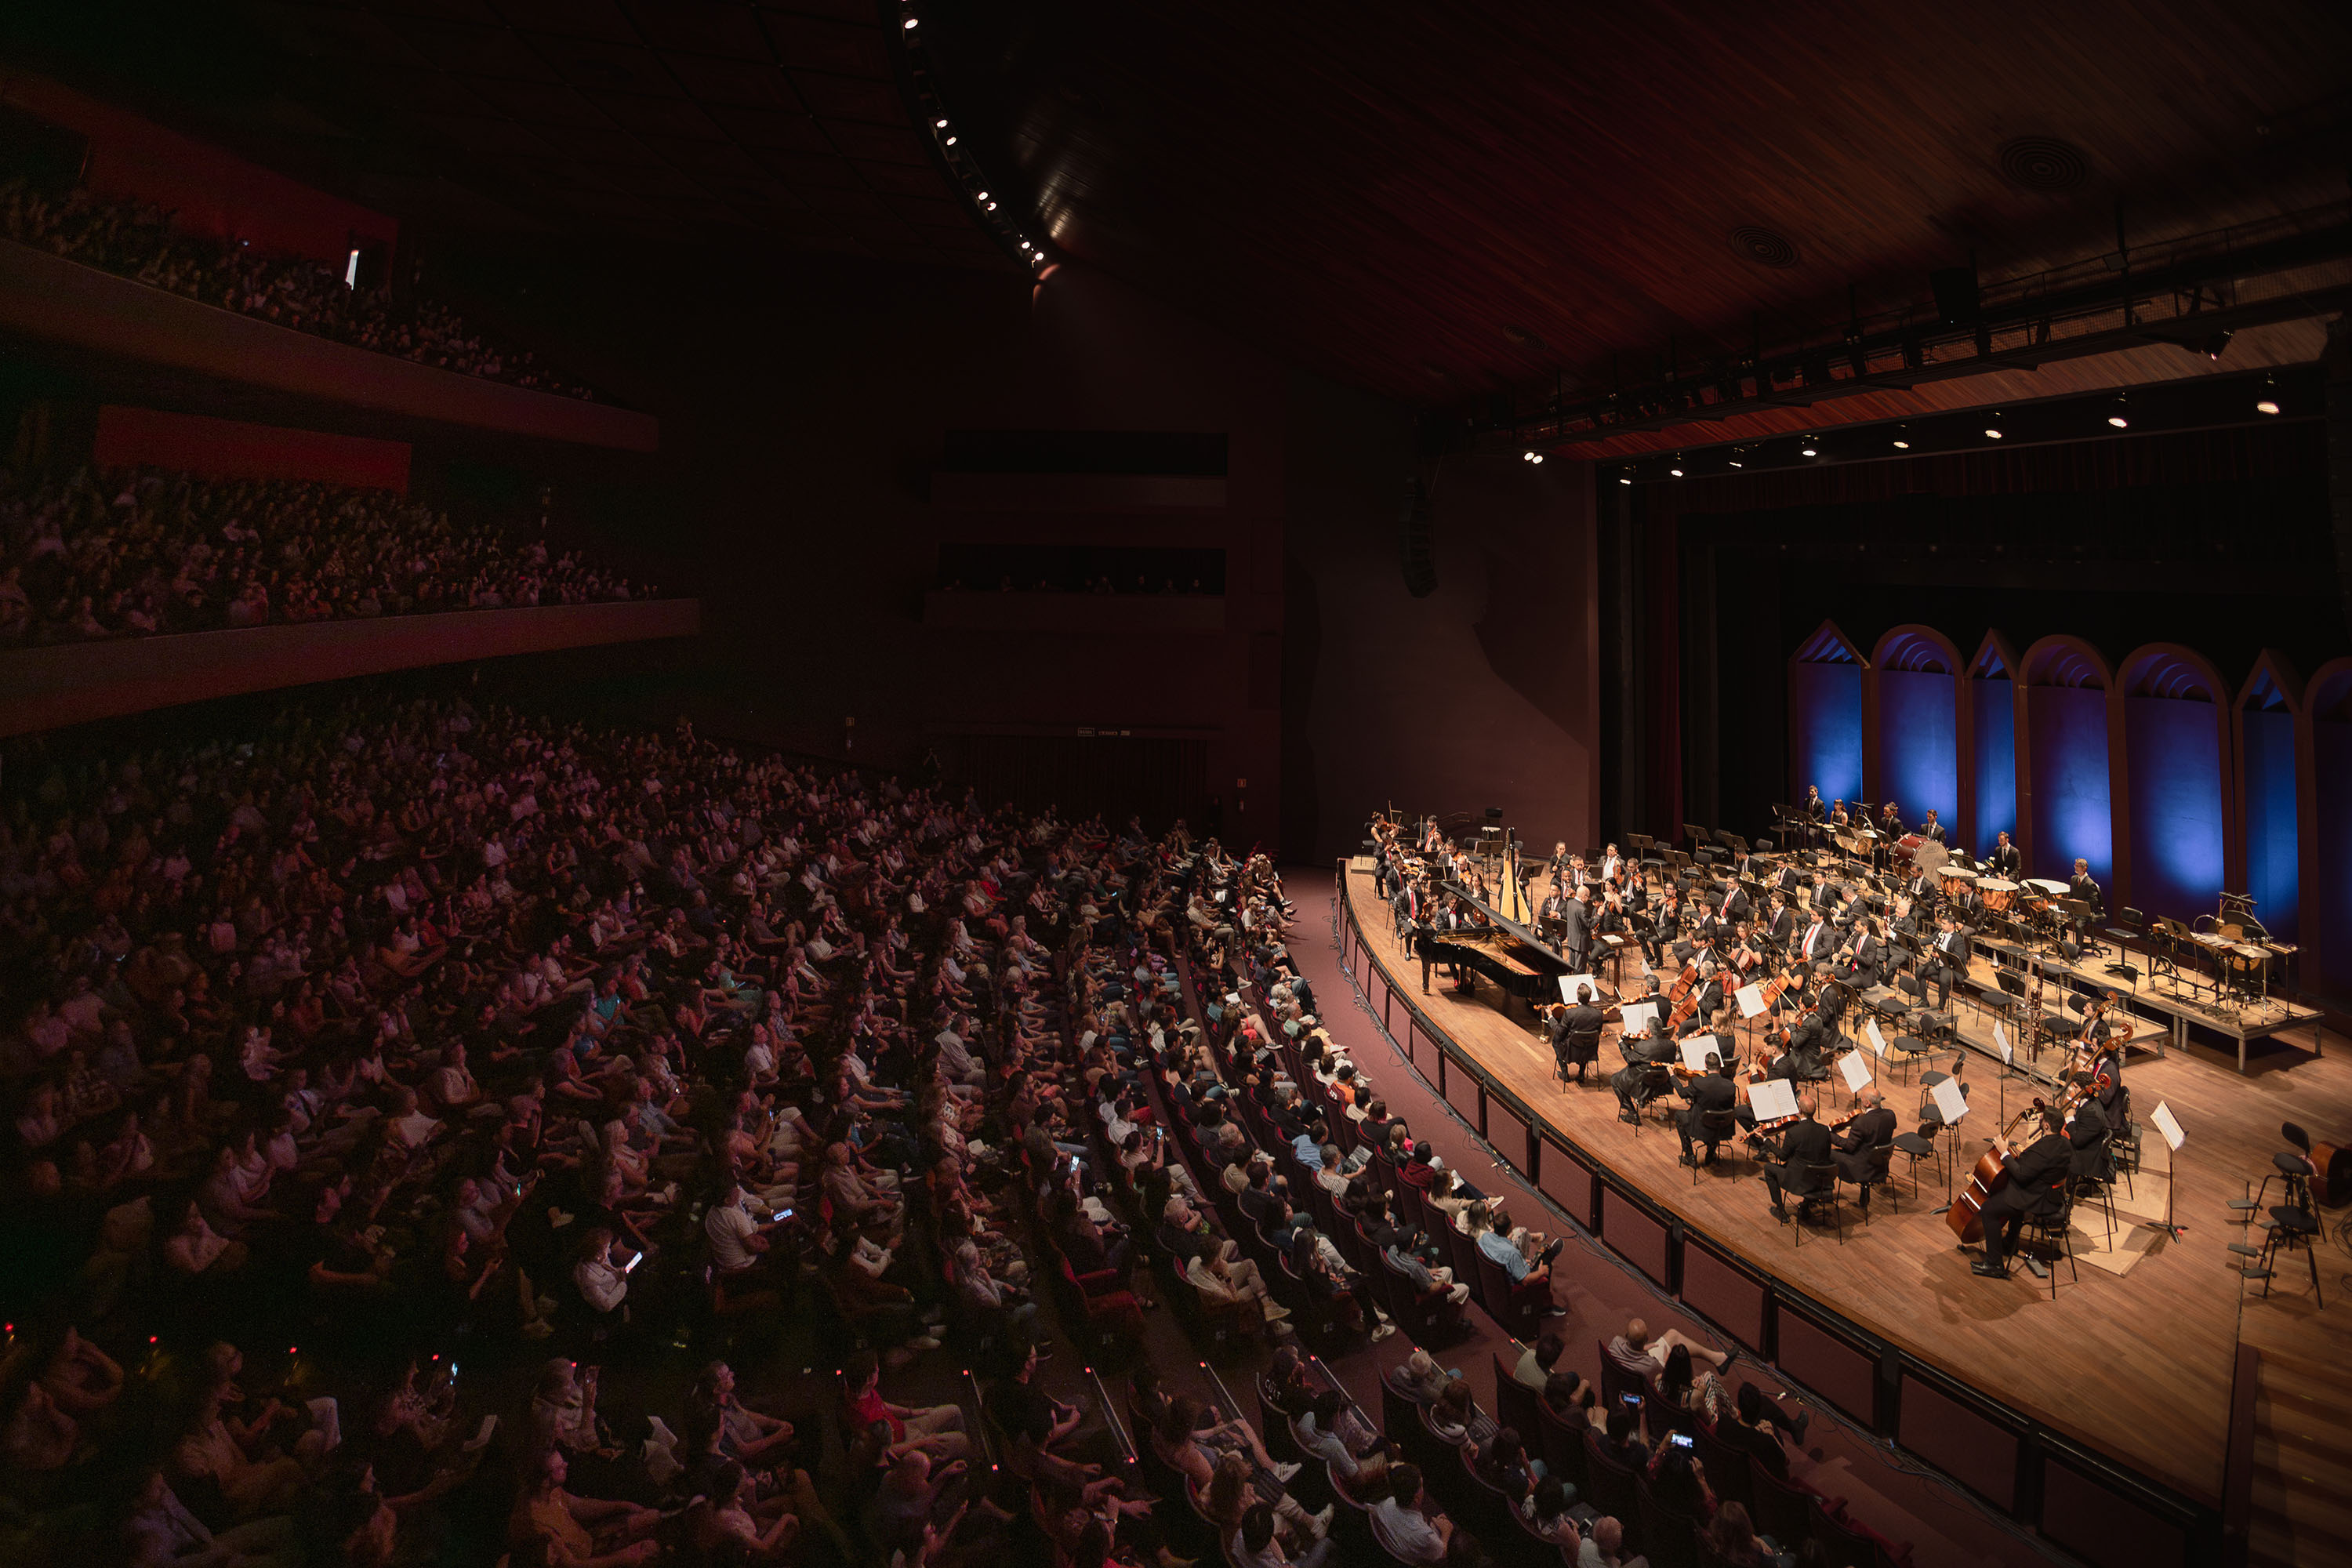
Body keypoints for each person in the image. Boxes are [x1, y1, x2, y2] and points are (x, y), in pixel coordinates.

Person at [1973, 1108, 2073, 1279]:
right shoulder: (2065, 1143)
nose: (2039, 1121)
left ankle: (1994, 1264)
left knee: (1989, 1209)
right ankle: (2009, 1244)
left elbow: (2021, 1175)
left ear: (2046, 1126)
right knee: (2009, 1201)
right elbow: (2038, 1167)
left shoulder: (2042, 1150)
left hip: (2036, 1199)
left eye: (2041, 1119)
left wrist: (2004, 1152)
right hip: (2052, 1195)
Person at [1760, 1092, 1834, 1223]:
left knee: (1769, 1168)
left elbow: (1783, 1156)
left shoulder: (1794, 1132)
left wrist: (1766, 1140)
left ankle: (1780, 1209)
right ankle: (1806, 1205)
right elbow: (1826, 1155)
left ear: (1800, 1110)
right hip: (1821, 1180)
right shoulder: (1824, 1130)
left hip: (1800, 1183)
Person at [1367, 1463, 1451, 1564]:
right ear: (1416, 1499)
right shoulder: (1426, 1536)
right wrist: (1446, 1531)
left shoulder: (1384, 1505)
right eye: (1421, 1486)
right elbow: (1441, 1555)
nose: (1423, 1489)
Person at [1830, 1089, 1896, 1213]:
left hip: (1863, 1168)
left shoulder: (1861, 1123)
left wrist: (1831, 1136)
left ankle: (1826, 1195)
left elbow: (1849, 1147)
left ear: (1867, 1103)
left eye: (1862, 1099)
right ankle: (1864, 1199)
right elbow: (1879, 1128)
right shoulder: (1890, 1115)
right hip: (1880, 1164)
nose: (1860, 1102)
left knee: (1830, 1153)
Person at [1675, 1051, 1737, 1167]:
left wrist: (1672, 1077)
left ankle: (1689, 1155)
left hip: (1702, 1127)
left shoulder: (1698, 1083)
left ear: (1705, 1065)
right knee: (1715, 1113)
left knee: (1679, 1115)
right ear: (1720, 1065)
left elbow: (1683, 1093)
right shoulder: (1731, 1086)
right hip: (1723, 1128)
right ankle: (1711, 1149)